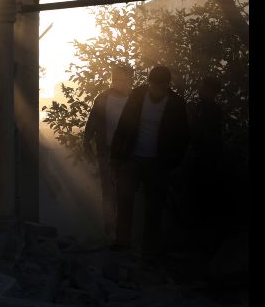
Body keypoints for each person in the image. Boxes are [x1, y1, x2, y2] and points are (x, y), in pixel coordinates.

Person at [110, 65, 189, 261]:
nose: (156, 90)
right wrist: (116, 157)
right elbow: (124, 125)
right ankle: (122, 244)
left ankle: (150, 250)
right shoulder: (137, 96)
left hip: (159, 162)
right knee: (125, 199)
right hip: (132, 158)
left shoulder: (177, 104)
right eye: (153, 85)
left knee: (154, 207)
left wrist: (172, 163)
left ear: (167, 86)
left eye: (160, 86)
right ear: (149, 83)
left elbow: (183, 136)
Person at [83, 64, 134, 242]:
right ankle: (109, 229)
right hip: (106, 151)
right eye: (116, 78)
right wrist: (86, 142)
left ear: (130, 79)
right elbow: (92, 122)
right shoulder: (102, 98)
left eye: (123, 78)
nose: (119, 82)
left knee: (125, 191)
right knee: (108, 190)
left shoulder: (135, 100)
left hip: (127, 153)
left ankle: (122, 231)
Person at [185, 75, 224, 253]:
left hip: (205, 163)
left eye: (203, 87)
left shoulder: (209, 111)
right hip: (205, 162)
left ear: (211, 91)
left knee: (200, 204)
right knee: (200, 204)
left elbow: (204, 137)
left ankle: (199, 246)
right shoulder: (209, 109)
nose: (200, 89)